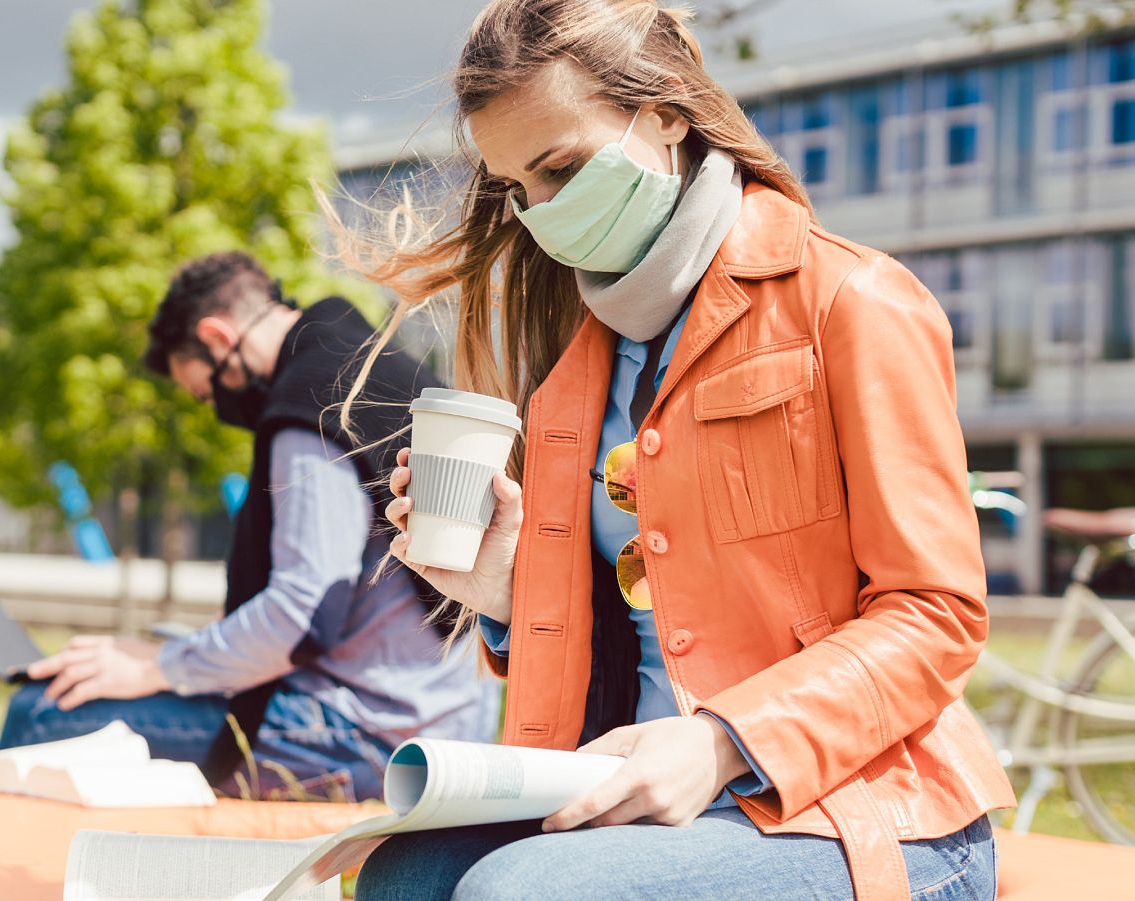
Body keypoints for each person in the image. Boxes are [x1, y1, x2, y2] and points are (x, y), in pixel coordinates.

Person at [348, 1, 1015, 897]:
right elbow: (626, 628)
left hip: (855, 809)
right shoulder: (573, 370)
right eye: (520, 188)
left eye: (562, 168)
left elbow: (936, 615)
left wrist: (720, 739)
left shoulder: (855, 300)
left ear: (666, 112)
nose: (543, 214)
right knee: (400, 878)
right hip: (634, 797)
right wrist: (508, 592)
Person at [0, 251, 497, 802]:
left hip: (365, 735)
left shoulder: (309, 411)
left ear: (216, 337)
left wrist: (159, 667)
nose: (220, 407)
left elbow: (302, 617)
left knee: (41, 711)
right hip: (442, 715)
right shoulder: (370, 359)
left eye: (207, 392)